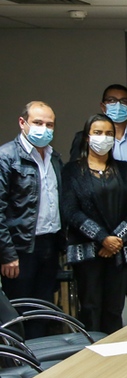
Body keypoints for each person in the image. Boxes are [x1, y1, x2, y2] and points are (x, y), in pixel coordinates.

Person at [61, 114, 127, 333]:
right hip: (88, 253)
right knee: (90, 307)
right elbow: (70, 211)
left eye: (109, 133)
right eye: (98, 133)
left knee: (114, 309)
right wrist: (102, 238)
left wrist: (116, 240)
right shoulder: (71, 171)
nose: (103, 137)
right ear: (87, 137)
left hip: (120, 250)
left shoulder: (126, 170)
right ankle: (90, 351)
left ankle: (113, 352)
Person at [0, 102, 64, 338]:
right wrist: (7, 254)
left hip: (49, 245)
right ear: (22, 123)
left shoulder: (54, 157)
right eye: (38, 123)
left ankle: (41, 356)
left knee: (43, 310)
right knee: (18, 313)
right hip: (20, 249)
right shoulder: (6, 156)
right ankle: (20, 359)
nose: (44, 129)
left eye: (49, 124)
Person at [68, 84, 127, 164]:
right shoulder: (85, 138)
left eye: (124, 101)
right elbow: (74, 171)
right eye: (112, 100)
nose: (118, 105)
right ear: (103, 107)